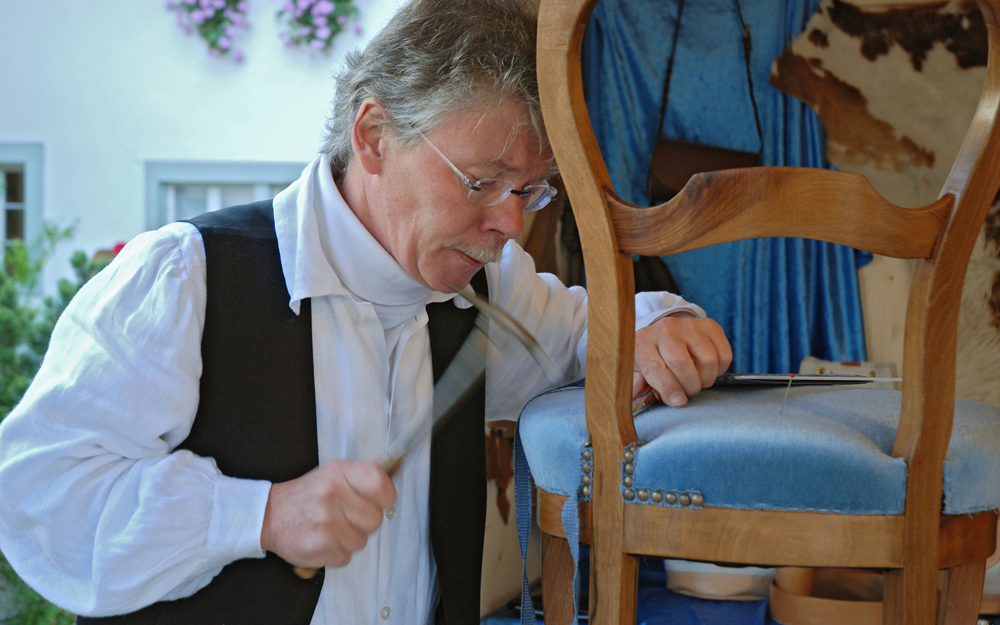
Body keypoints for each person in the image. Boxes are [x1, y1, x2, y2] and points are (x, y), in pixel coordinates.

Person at [0, 0, 732, 623]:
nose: (510, 224)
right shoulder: (187, 276)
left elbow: (592, 333)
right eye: (482, 182)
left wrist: (661, 326)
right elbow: (35, 492)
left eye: (531, 192)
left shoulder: (489, 287)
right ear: (374, 136)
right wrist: (257, 515)